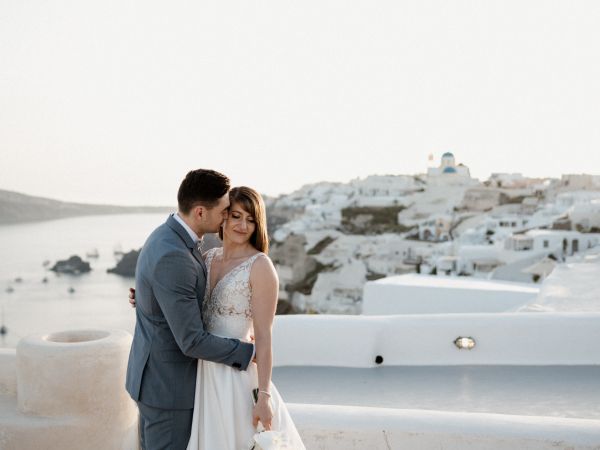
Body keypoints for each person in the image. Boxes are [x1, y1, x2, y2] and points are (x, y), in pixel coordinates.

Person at [125, 169, 255, 450]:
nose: (226, 217)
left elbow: (170, 293)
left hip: (154, 380)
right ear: (199, 212)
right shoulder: (175, 254)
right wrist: (249, 352)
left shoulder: (166, 234)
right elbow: (191, 341)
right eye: (223, 212)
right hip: (169, 390)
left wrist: (152, 299)